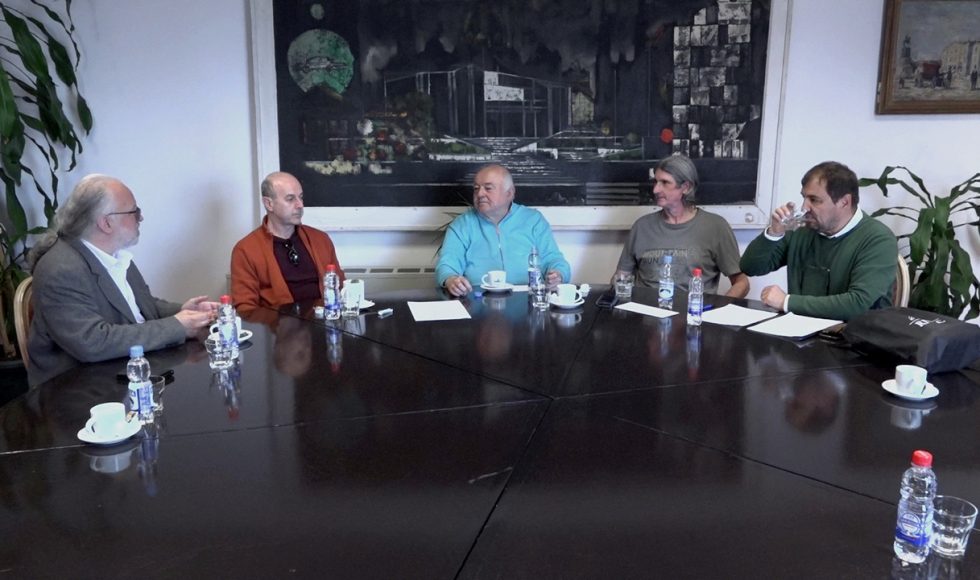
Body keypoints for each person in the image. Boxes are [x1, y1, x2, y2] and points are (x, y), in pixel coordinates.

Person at [27, 174, 218, 386]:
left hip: (127, 372)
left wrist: (184, 311)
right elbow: (93, 342)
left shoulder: (115, 254)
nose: (140, 218)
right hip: (78, 389)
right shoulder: (60, 269)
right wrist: (178, 325)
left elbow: (142, 307)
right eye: (134, 211)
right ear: (106, 223)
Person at [740, 161, 897, 321]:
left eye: (814, 200)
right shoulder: (802, 229)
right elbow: (750, 267)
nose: (804, 207)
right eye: (804, 197)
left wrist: (786, 302)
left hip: (856, 333)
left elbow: (857, 303)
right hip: (800, 329)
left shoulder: (879, 240)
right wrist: (774, 233)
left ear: (844, 202)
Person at [614, 154, 749, 297]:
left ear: (686, 187)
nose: (655, 190)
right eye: (655, 182)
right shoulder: (641, 226)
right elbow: (621, 277)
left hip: (694, 309)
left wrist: (722, 307)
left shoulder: (716, 227)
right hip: (644, 309)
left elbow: (742, 282)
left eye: (665, 182)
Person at [436, 164, 571, 297]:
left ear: (509, 193)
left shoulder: (534, 220)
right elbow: (447, 264)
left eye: (488, 188)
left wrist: (558, 274)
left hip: (528, 299)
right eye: (476, 188)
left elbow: (554, 259)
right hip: (478, 300)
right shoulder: (462, 224)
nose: (480, 194)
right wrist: (451, 280)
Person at [231, 171, 344, 313]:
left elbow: (340, 287)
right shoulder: (246, 250)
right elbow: (245, 307)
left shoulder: (320, 239)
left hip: (326, 320)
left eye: (301, 197)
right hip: (277, 324)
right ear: (269, 204)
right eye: (290, 199)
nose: (300, 205)